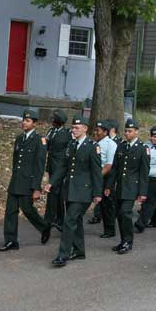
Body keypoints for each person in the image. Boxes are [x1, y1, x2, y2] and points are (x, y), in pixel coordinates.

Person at [46, 116, 103, 267]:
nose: (74, 130)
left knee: (69, 220)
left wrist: (98, 193)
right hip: (70, 189)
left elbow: (96, 172)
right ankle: (79, 251)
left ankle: (62, 255)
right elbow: (63, 166)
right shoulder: (71, 144)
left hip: (84, 191)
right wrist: (51, 183)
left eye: (77, 128)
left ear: (85, 129)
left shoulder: (92, 146)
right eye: (72, 128)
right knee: (75, 220)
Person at [0, 109, 49, 251]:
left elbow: (39, 166)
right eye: (23, 120)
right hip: (16, 181)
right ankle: (11, 240)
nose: (24, 123)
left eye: (27, 121)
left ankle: (44, 227)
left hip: (28, 182)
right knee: (10, 212)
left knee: (28, 210)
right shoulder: (19, 139)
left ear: (34, 123)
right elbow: (16, 162)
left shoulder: (40, 140)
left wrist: (36, 188)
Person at [104, 118, 150, 254]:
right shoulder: (122, 146)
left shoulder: (142, 148)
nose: (127, 133)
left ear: (137, 132)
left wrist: (142, 192)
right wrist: (109, 185)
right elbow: (115, 169)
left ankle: (128, 242)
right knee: (119, 214)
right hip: (120, 187)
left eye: (130, 131)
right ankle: (123, 240)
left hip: (132, 187)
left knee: (125, 213)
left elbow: (144, 172)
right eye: (126, 131)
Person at [44, 109, 72, 232]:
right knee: (53, 192)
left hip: (60, 166)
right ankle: (53, 218)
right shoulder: (51, 131)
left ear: (58, 121)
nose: (52, 121)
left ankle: (58, 219)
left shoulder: (67, 133)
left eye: (54, 119)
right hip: (52, 165)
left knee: (58, 193)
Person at [90, 121, 117, 234]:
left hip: (105, 177)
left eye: (98, 131)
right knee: (100, 203)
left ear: (105, 132)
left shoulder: (111, 144)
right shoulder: (93, 143)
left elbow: (108, 165)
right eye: (94, 130)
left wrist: (97, 178)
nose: (95, 133)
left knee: (107, 204)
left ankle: (110, 229)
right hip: (94, 175)